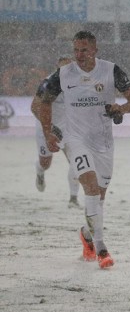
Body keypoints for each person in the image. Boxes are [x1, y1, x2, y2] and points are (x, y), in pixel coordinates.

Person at [35, 30, 130, 269]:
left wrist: (121, 109)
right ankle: (101, 248)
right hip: (76, 140)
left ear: (95, 50)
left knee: (99, 200)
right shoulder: (63, 74)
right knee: (91, 189)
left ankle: (86, 234)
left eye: (84, 50)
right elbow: (43, 101)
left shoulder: (111, 70)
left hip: (103, 143)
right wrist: (47, 132)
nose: (79, 55)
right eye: (76, 50)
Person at [31, 55, 82, 208]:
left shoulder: (80, 82)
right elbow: (34, 107)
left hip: (68, 128)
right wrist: (49, 128)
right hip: (46, 126)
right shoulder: (48, 83)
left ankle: (73, 199)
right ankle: (40, 171)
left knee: (77, 162)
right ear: (57, 69)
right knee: (46, 162)